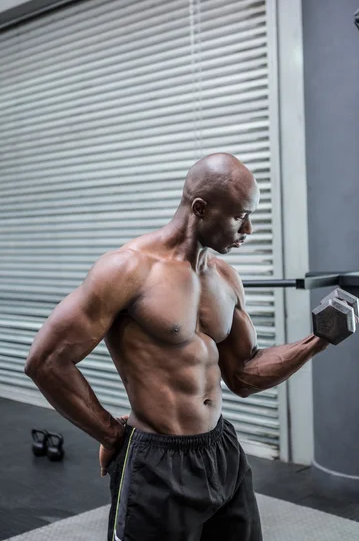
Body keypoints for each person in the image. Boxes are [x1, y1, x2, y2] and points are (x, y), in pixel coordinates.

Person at [25, 153, 342, 541]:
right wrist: (111, 434)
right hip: (157, 462)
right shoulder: (128, 270)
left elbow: (243, 374)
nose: (250, 228)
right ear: (200, 208)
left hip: (222, 450)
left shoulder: (225, 276)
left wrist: (318, 340)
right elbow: (47, 361)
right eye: (240, 215)